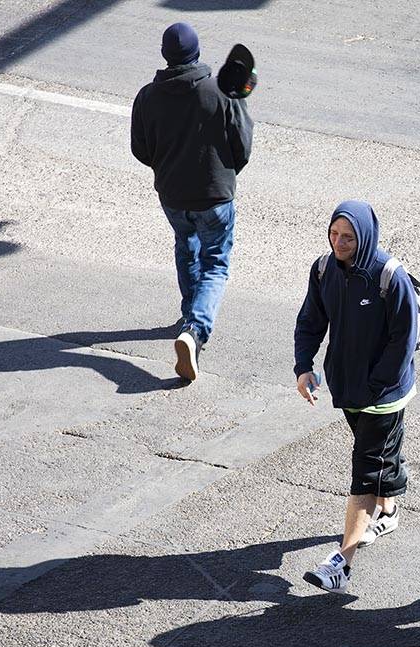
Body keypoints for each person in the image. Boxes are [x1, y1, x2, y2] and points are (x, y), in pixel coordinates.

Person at [294, 201, 419, 594]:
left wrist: (377, 383)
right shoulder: (323, 269)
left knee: (365, 469)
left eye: (347, 237)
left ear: (364, 236)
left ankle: (341, 564)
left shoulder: (390, 277)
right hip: (347, 388)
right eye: (333, 234)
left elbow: (405, 338)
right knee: (378, 457)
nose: (339, 243)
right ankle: (389, 508)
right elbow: (310, 321)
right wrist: (303, 366)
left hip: (383, 395)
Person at [131, 22, 254, 382]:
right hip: (214, 195)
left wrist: (167, 168)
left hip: (172, 196)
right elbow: (242, 144)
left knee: (186, 246)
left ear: (166, 56)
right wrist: (227, 173)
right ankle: (196, 330)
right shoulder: (220, 92)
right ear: (197, 53)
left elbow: (141, 149)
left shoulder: (148, 97)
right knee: (215, 262)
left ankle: (189, 312)